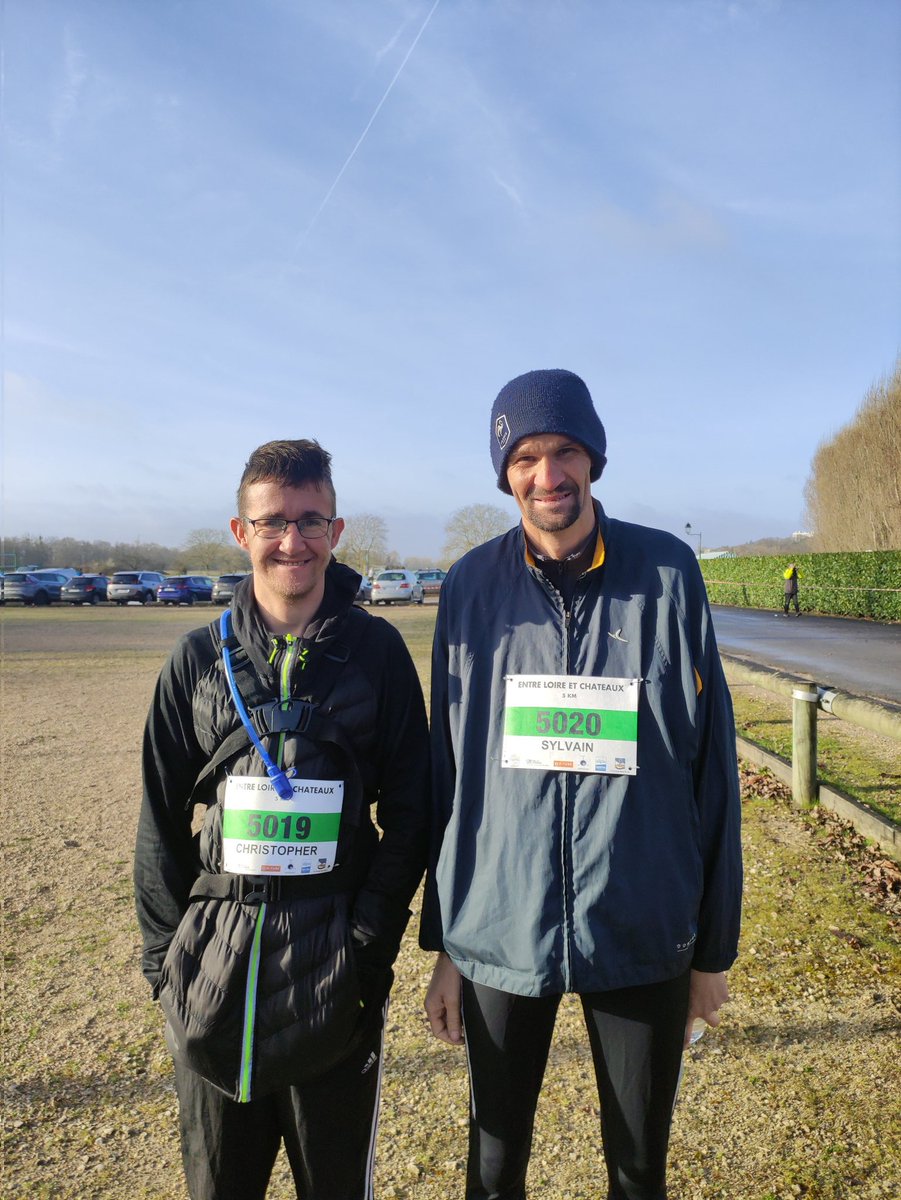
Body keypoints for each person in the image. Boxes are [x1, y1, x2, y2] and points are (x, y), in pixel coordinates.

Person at [421, 370, 743, 1200]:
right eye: (524, 457)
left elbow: (710, 765)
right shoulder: (468, 586)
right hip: (498, 924)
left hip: (639, 921)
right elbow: (447, 775)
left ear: (593, 458)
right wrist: (446, 946)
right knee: (493, 1168)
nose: (547, 474)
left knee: (637, 1168)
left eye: (564, 450)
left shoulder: (667, 572)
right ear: (504, 473)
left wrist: (710, 950)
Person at [134, 439, 429, 1200]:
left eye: (309, 521)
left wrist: (367, 951)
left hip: (333, 978)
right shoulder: (196, 659)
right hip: (213, 980)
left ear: (335, 530)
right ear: (242, 532)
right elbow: (159, 819)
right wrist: (166, 965)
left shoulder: (378, 654)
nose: (291, 541)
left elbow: (411, 812)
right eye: (272, 522)